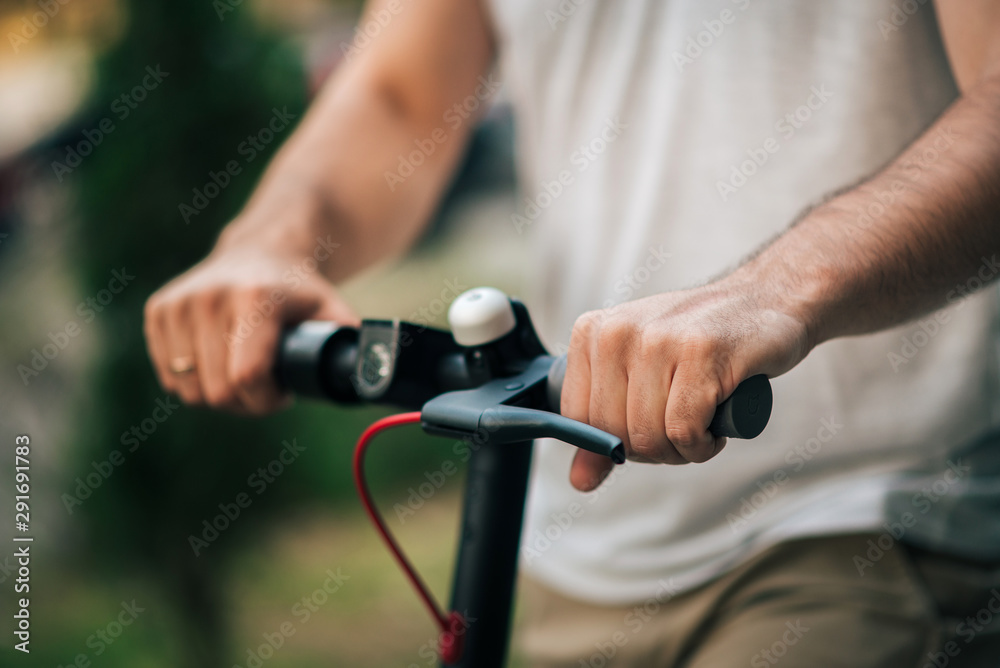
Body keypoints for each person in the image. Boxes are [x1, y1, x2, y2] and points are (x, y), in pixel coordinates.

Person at [144, 0, 1000, 665]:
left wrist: (773, 292)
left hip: (866, 507)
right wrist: (268, 245)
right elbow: (403, 96)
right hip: (579, 547)